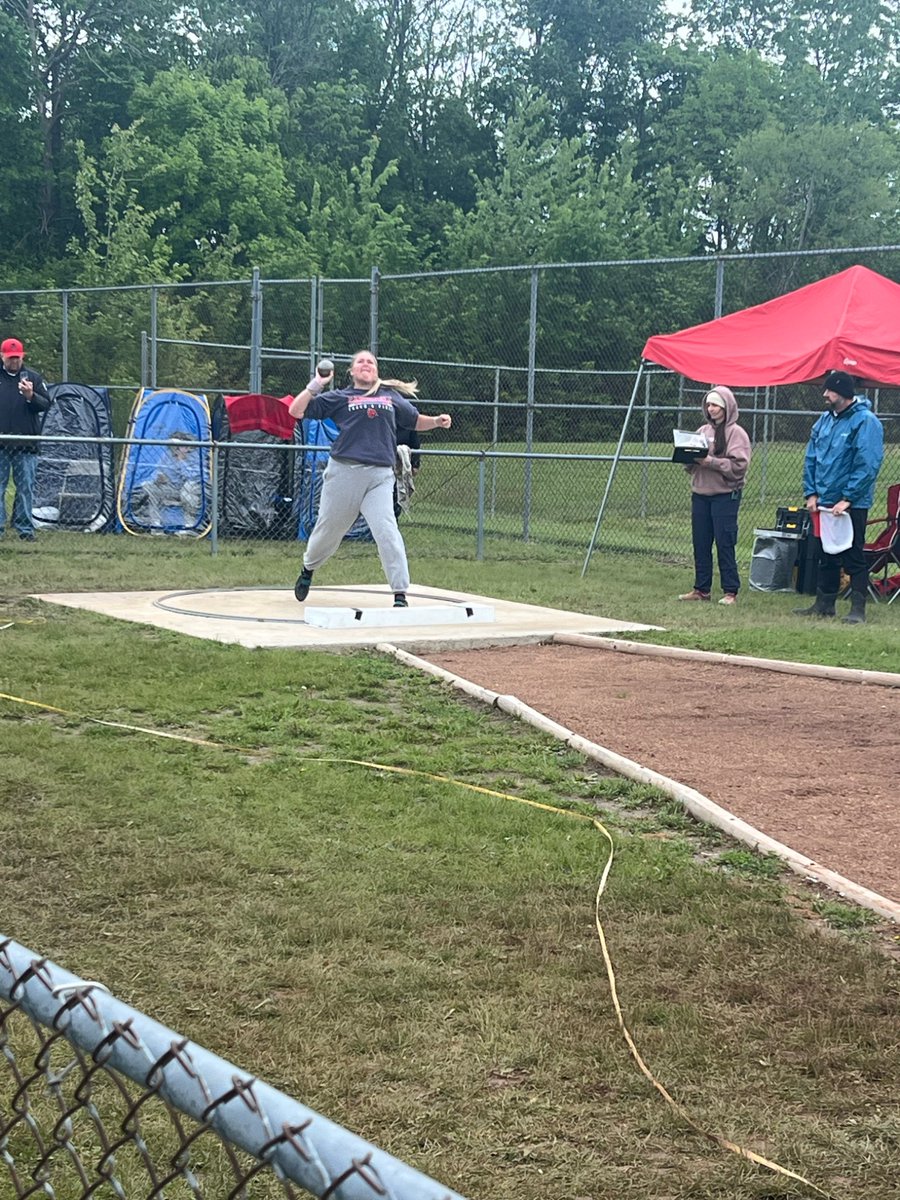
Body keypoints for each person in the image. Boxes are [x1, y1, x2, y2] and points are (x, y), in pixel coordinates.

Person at [288, 350, 452, 607]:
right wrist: (317, 383)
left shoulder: (390, 397)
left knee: (387, 531)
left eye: (371, 362)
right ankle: (308, 568)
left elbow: (414, 421)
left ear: (376, 371)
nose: (366, 364)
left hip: (380, 475)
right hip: (344, 472)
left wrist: (437, 421)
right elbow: (296, 411)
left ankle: (400, 593)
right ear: (352, 372)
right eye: (360, 361)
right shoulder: (341, 397)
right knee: (329, 531)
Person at [794, 369, 884, 624]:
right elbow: (811, 457)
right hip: (823, 502)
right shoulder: (824, 420)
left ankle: (857, 609)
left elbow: (867, 463)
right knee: (826, 553)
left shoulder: (865, 422)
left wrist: (849, 498)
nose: (825, 394)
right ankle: (824, 604)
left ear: (843, 393)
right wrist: (811, 493)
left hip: (850, 505)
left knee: (852, 554)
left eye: (830, 390)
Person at [677, 385, 752, 605]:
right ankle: (701, 589)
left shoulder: (737, 433)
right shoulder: (703, 431)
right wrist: (687, 457)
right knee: (701, 542)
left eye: (716, 405)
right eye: (708, 405)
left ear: (726, 407)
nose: (711, 409)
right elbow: (692, 464)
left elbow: (739, 466)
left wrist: (711, 462)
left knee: (724, 542)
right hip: (700, 494)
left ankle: (730, 591)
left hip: (724, 496)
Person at [0, 337, 51, 541]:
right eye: (11, 358)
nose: (14, 361)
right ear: (2, 356)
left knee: (25, 489)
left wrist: (31, 396)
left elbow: (46, 404)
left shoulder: (33, 378)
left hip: (25, 444)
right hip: (1, 443)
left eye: (18, 358)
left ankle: (25, 530)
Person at [133, 431, 203, 534]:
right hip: (170, 488)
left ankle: (189, 526)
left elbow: (194, 476)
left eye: (180, 447)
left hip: (188, 489)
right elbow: (158, 471)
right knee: (149, 486)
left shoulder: (194, 458)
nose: (176, 449)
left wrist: (181, 461)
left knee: (189, 488)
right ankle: (155, 525)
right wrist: (158, 479)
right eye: (175, 447)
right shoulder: (167, 456)